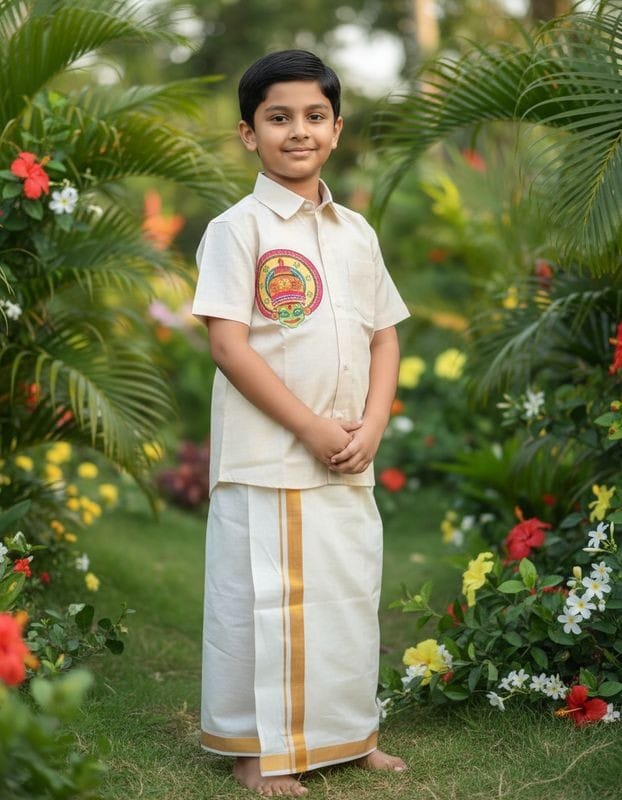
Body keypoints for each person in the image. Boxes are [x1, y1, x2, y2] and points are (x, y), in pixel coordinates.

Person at [192, 49, 410, 797]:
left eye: (314, 116)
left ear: (337, 128)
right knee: (263, 606)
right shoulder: (238, 229)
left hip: (347, 453)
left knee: (348, 597)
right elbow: (228, 343)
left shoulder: (356, 232)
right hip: (272, 458)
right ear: (248, 134)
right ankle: (257, 751)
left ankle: (350, 735)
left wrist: (371, 422)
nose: (298, 131)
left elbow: (385, 333)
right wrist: (310, 427)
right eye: (278, 117)